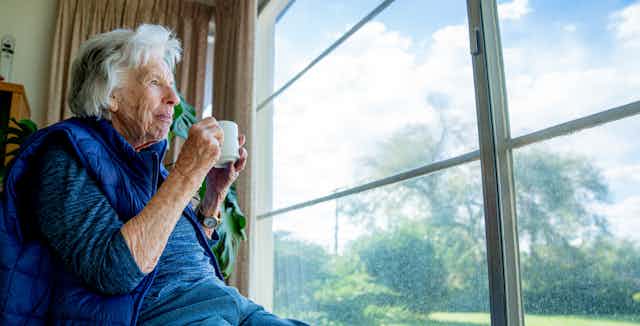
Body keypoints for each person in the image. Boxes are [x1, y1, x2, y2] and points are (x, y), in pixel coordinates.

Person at [5, 24, 307, 325]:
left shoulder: (149, 169)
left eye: (172, 84)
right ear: (112, 95)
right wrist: (188, 172)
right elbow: (115, 271)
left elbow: (175, 254)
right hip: (175, 316)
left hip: (229, 305)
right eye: (154, 82)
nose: (174, 98)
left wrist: (213, 194)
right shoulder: (64, 155)